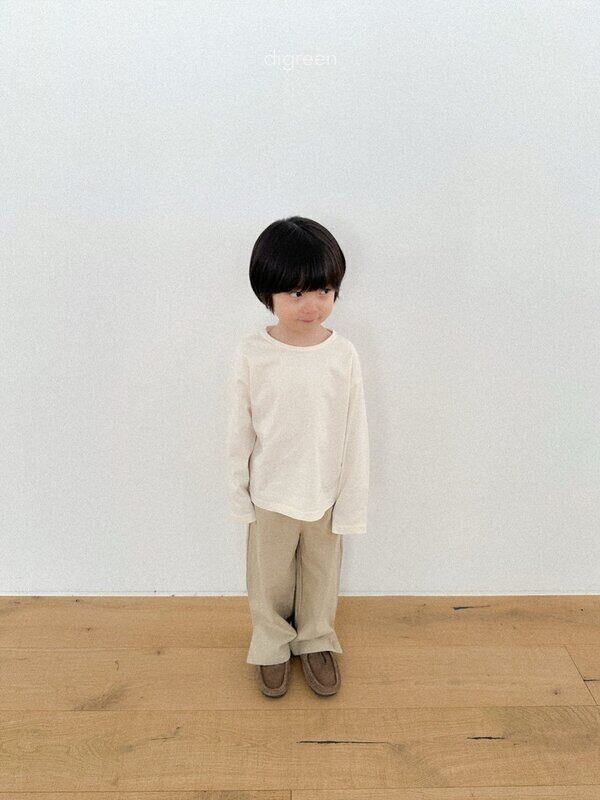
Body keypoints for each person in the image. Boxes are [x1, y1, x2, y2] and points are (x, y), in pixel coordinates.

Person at [225, 215, 370, 697]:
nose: (312, 304)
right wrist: (238, 493)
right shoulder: (253, 352)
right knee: (269, 578)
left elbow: (355, 430)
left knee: (321, 575)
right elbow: (239, 428)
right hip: (270, 492)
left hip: (324, 492)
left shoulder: (343, 355)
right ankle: (270, 641)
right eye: (296, 292)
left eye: (323, 290)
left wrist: (351, 500)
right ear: (268, 292)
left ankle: (315, 638)